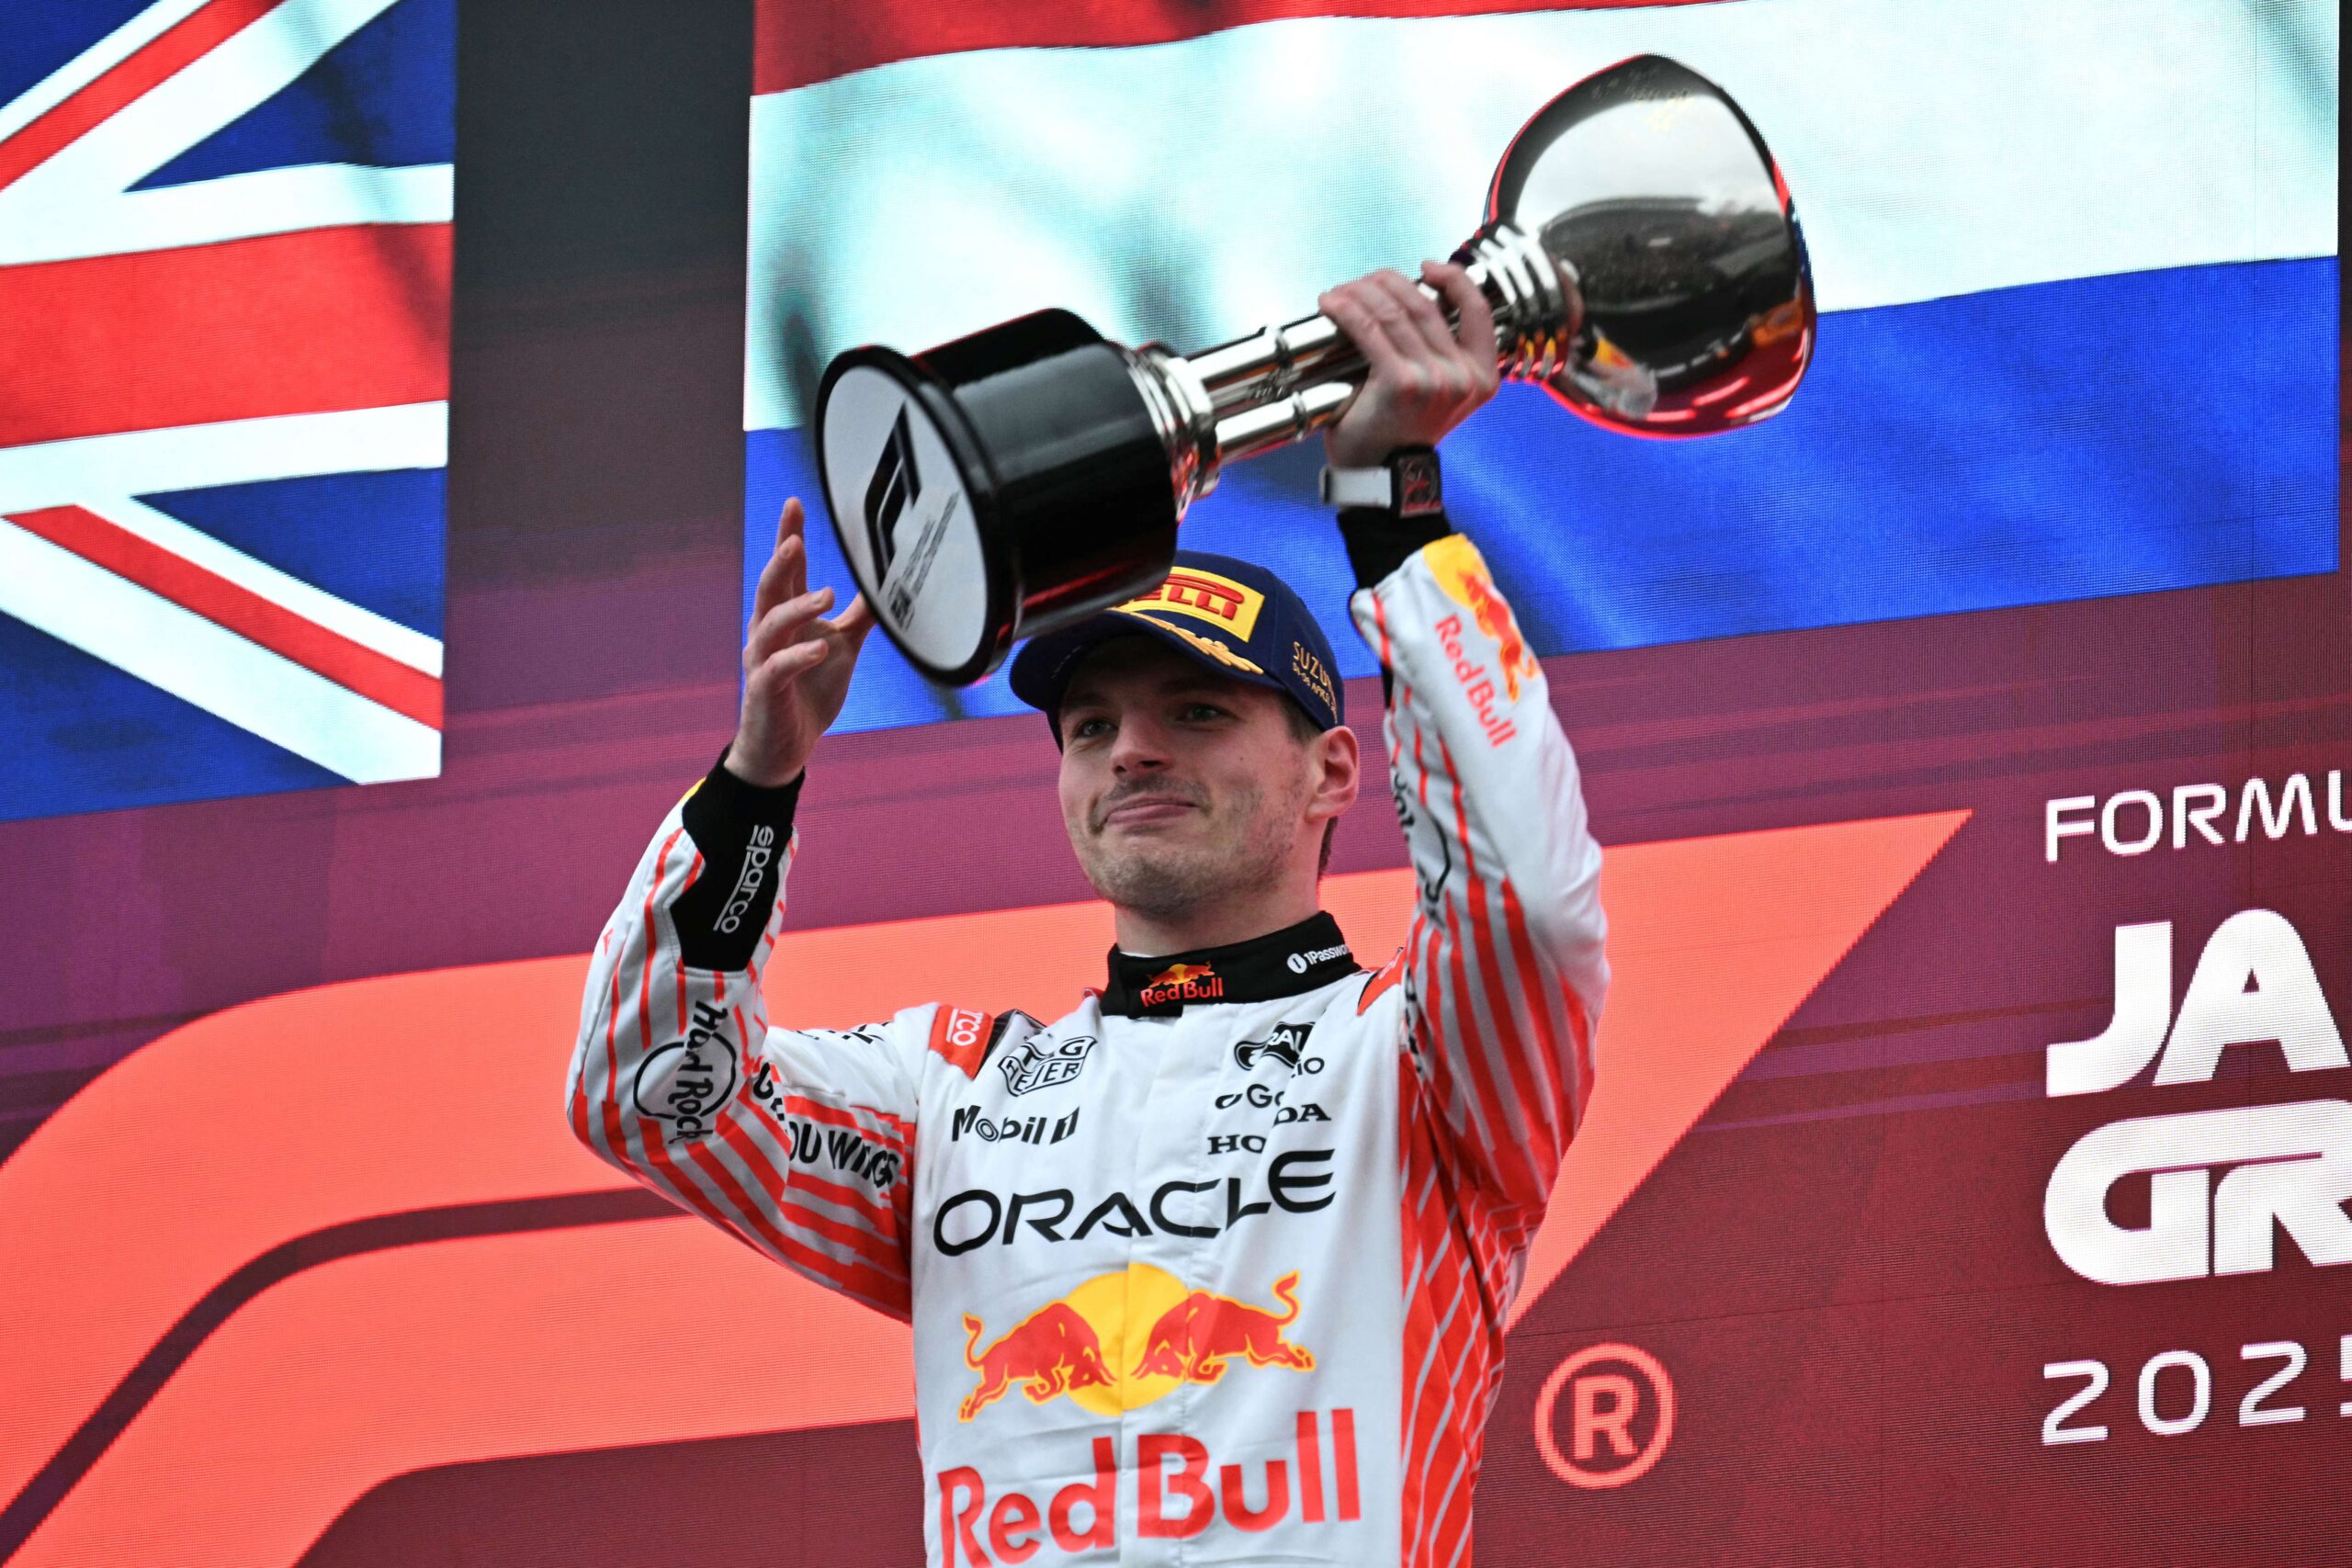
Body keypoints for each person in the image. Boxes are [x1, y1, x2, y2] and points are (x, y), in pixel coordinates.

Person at [567, 261, 1607, 1566]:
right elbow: (654, 1095)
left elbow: (1529, 899)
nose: (1133, 752)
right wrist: (755, 783)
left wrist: (1388, 510)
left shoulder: (1420, 1062)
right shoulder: (950, 1095)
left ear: (1335, 772)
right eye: (1091, 727)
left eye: (1199, 711)